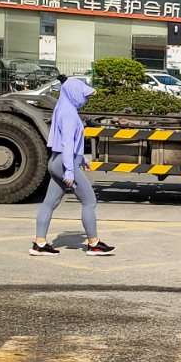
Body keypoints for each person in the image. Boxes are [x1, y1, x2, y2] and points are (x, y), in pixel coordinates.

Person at [31, 76, 114, 257]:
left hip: (56, 161)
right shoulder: (69, 113)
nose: (85, 99)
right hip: (64, 163)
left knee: (49, 203)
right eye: (83, 95)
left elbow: (65, 142)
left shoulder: (61, 107)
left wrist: (80, 158)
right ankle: (94, 244)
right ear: (73, 93)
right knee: (89, 201)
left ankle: (39, 243)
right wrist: (70, 170)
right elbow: (68, 143)